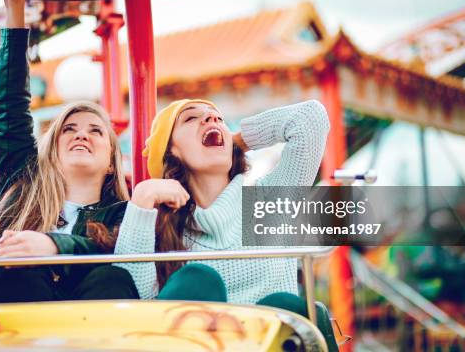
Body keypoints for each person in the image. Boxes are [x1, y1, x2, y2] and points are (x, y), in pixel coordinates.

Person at [0, 0, 137, 305]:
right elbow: (9, 110)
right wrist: (15, 11)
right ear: (52, 150)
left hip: (87, 309)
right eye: (69, 129)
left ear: (111, 162)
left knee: (113, 276)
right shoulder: (24, 187)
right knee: (18, 266)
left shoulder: (125, 215)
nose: (81, 135)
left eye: (96, 130)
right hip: (18, 302)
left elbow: (123, 254)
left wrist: (53, 245)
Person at [114, 99, 338, 350]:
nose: (211, 120)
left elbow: (311, 118)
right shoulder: (158, 225)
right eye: (190, 118)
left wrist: (238, 141)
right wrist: (142, 198)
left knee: (286, 306)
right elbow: (132, 306)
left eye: (218, 118)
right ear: (171, 151)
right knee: (196, 282)